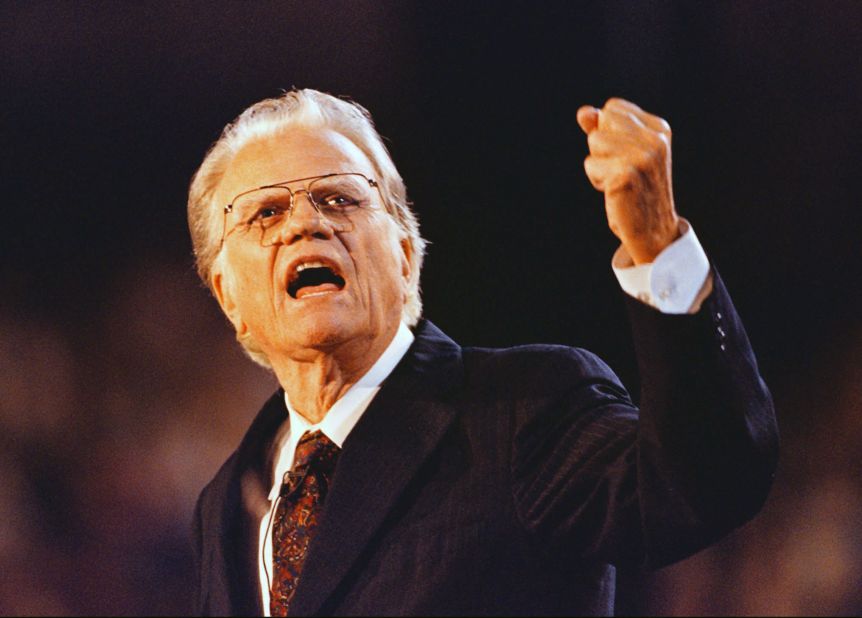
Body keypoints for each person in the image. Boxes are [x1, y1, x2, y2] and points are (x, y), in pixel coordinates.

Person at [188, 89, 778, 616]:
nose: (304, 225)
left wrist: (658, 246)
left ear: (403, 256)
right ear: (227, 295)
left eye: (339, 199)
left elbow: (705, 480)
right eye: (265, 213)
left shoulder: (525, 412)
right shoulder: (225, 504)